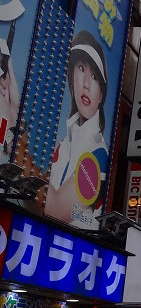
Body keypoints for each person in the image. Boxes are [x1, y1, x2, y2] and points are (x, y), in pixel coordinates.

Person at [45, 31, 108, 228]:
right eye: (81, 68)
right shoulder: (63, 144)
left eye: (95, 76)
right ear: (72, 76)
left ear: (101, 95)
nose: (86, 84)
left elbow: (54, 209)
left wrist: (16, 133)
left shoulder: (99, 155)